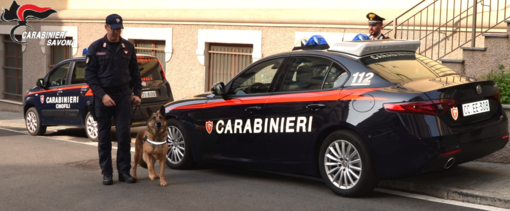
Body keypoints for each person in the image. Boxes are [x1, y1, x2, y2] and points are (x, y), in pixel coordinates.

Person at [85, 14, 142, 185]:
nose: (116, 33)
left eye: (119, 29)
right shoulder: (95, 47)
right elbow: (89, 75)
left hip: (123, 96)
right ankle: (107, 173)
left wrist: (137, 93)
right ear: (106, 27)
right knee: (104, 137)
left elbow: (136, 73)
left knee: (124, 135)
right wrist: (102, 95)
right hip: (103, 97)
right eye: (113, 29)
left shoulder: (128, 47)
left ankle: (124, 172)